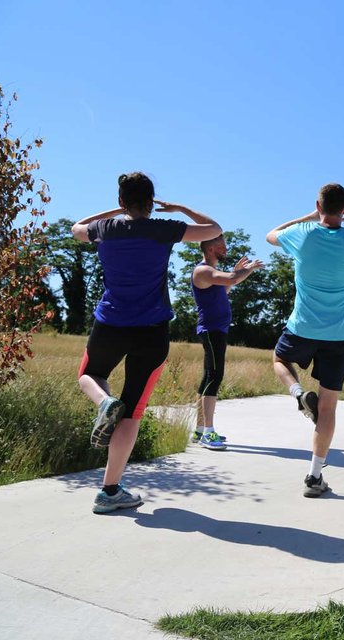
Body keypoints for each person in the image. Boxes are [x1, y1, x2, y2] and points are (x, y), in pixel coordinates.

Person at [72, 172, 222, 513]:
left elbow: (76, 228)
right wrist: (180, 208)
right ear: (152, 202)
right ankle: (109, 491)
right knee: (133, 411)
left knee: (89, 374)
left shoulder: (104, 229)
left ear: (122, 201)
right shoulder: (164, 228)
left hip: (109, 324)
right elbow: (213, 228)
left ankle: (103, 403)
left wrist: (115, 211)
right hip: (152, 331)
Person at [266, 183, 344, 498]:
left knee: (280, 360)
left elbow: (271, 234)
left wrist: (310, 216)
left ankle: (297, 393)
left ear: (318, 205)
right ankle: (314, 475)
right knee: (328, 406)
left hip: (303, 327)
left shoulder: (303, 234)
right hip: (339, 335)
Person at [189, 235, 264, 450]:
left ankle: (200, 430)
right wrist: (247, 269)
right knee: (214, 376)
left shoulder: (212, 273)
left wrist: (237, 272)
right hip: (211, 330)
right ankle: (208, 433)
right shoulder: (203, 270)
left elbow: (226, 287)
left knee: (208, 377)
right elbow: (231, 279)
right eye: (222, 245)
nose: (226, 248)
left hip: (216, 330)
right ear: (211, 248)